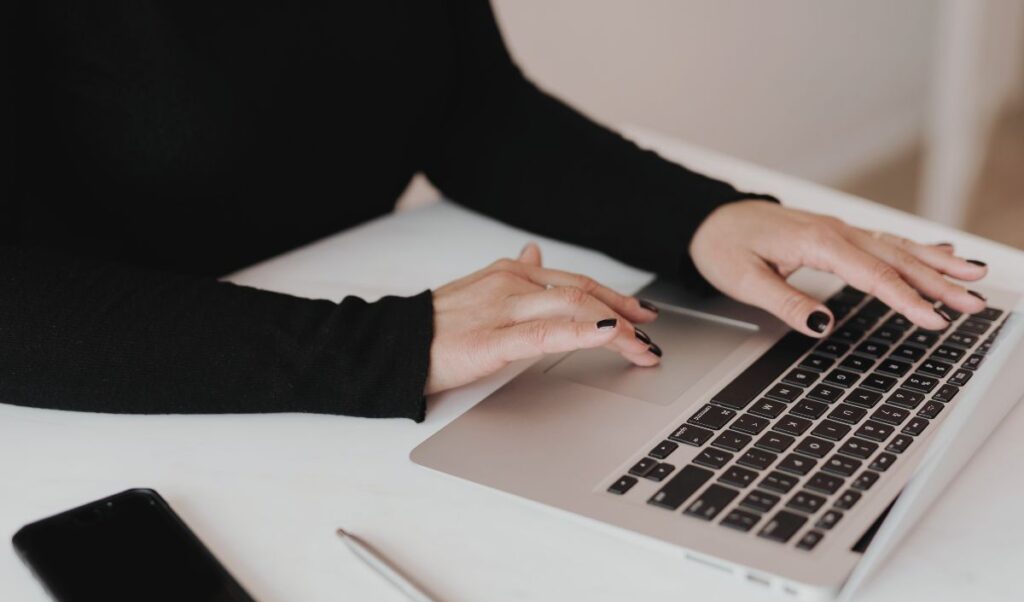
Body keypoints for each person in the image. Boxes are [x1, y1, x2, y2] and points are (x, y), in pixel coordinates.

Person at [0, 1, 987, 421]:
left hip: (333, 362)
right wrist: (391, 347)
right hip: (119, 410)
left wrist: (703, 219)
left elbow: (465, 107)